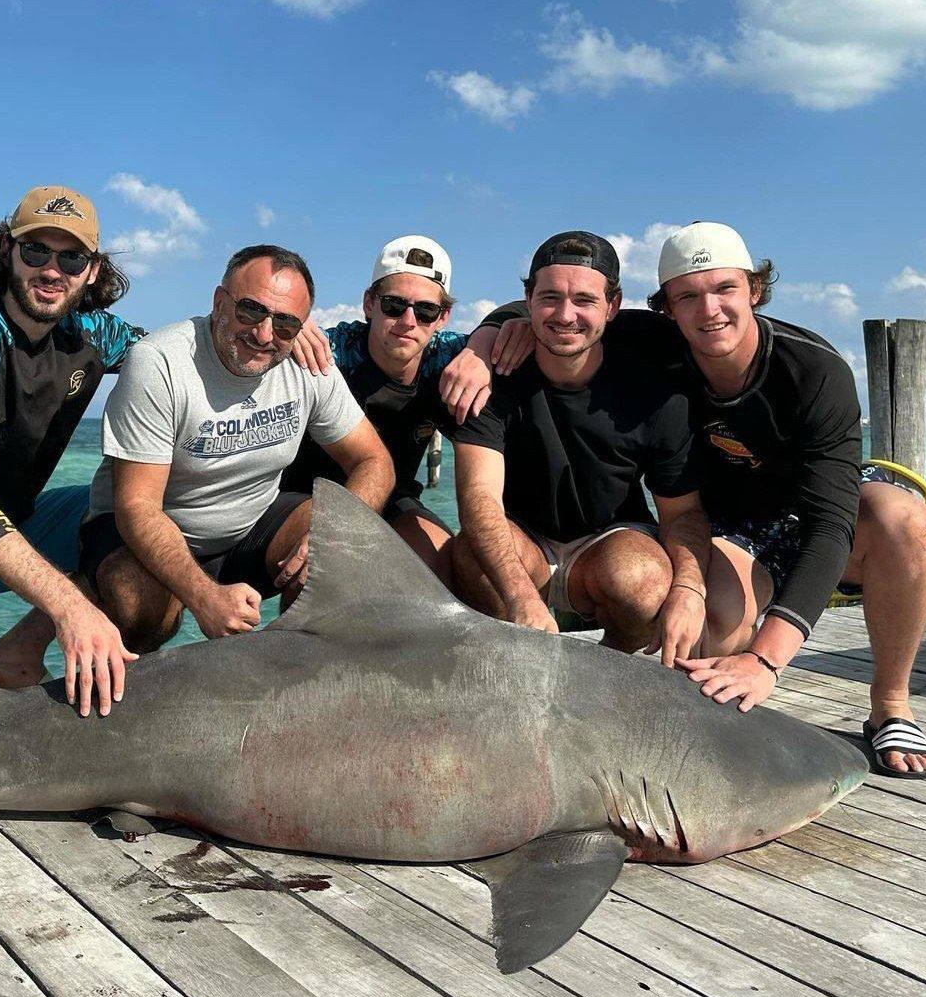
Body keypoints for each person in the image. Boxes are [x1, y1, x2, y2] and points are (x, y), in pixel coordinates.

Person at [649, 222, 926, 778]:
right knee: (712, 634)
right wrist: (495, 332)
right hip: (734, 526)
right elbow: (567, 312)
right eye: (688, 296)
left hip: (818, 511)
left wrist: (765, 661)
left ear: (754, 290)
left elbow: (831, 526)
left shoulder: (814, 369)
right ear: (668, 309)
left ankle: (891, 706)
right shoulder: (654, 347)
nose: (709, 309)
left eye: (725, 289)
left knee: (904, 518)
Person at [76, 243, 394, 671]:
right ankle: (123, 703)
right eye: (250, 311)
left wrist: (333, 537)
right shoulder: (159, 362)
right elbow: (136, 507)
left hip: (251, 522)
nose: (264, 334)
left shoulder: (306, 362)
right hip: (152, 527)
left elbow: (374, 462)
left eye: (285, 323)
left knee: (338, 560)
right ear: (219, 301)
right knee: (141, 610)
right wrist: (204, 597)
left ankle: (292, 680)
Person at [0, 185, 144, 732]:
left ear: (92, 269)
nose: (51, 270)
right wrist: (71, 607)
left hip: (8, 520)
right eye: (36, 251)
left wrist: (287, 335)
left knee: (133, 518)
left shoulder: (92, 333)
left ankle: (16, 653)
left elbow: (177, 358)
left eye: (71, 256)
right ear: (7, 251)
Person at [448, 231, 710, 661]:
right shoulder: (490, 377)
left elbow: (682, 513)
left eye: (584, 300)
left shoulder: (656, 392)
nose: (565, 314)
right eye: (550, 297)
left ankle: (604, 669)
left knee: (643, 581)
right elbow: (479, 499)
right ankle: (510, 664)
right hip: (523, 539)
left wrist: (689, 588)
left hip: (607, 540)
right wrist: (521, 599)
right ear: (528, 299)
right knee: (472, 554)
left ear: (612, 306)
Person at [281, 235, 530, 583]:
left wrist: (486, 343)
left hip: (393, 497)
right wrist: (288, 322)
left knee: (441, 564)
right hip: (308, 497)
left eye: (426, 310)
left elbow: (535, 315)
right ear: (369, 304)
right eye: (394, 305)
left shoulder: (450, 360)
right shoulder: (328, 351)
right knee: (315, 577)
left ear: (443, 317)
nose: (409, 321)